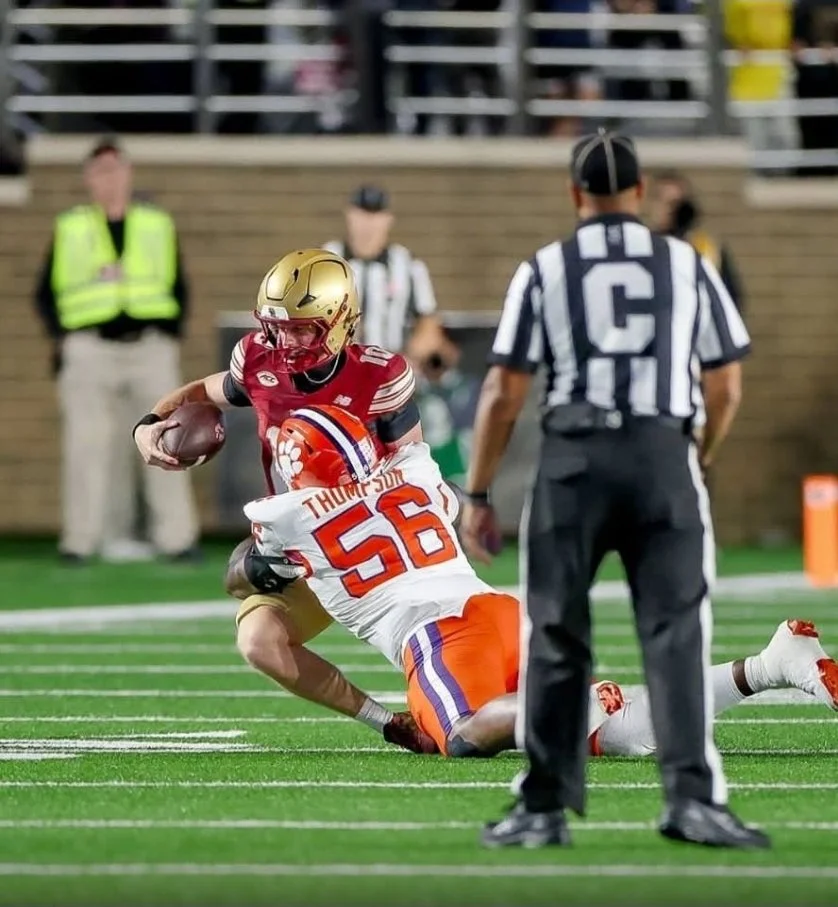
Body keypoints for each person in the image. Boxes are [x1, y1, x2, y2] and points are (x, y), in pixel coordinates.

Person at [460, 129, 765, 850]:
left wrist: (477, 493)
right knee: (677, 634)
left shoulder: (545, 267)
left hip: (574, 461)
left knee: (558, 636)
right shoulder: (687, 264)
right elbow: (725, 384)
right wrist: (696, 453)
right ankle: (691, 799)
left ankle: (542, 806)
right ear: (637, 193)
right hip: (662, 451)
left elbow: (504, 389)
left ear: (575, 196)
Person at [234, 404, 838, 761]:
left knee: (462, 739)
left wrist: (261, 564)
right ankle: (770, 667)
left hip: (440, 638)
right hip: (501, 612)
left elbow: (242, 577)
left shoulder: (281, 517)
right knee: (621, 735)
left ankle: (563, 703)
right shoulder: (412, 468)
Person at [133, 248, 434, 755]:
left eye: (302, 328)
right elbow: (203, 392)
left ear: (341, 322)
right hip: (303, 557)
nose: (286, 341)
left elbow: (416, 480)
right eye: (278, 327)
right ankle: (386, 722)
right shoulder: (256, 359)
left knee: (455, 676)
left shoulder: (379, 376)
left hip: (377, 552)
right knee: (259, 640)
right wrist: (148, 427)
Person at [34, 135, 199, 565]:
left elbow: (179, 284)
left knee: (167, 437)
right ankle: (81, 540)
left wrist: (168, 333)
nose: (109, 179)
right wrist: (63, 339)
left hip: (148, 346)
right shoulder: (72, 227)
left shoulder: (155, 224)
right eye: (100, 171)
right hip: (90, 347)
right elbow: (45, 292)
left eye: (116, 169)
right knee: (87, 445)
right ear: (89, 179)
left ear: (129, 174)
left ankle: (176, 538)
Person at [322, 185, 451, 362]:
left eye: (375, 215)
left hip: (389, 369)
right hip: (334, 368)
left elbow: (429, 322)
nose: (368, 223)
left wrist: (404, 362)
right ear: (349, 215)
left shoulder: (408, 264)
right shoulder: (326, 260)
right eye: (362, 214)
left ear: (388, 219)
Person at [649, 171, 746, 313]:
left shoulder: (707, 249)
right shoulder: (643, 248)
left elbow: (731, 302)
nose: (668, 209)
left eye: (674, 203)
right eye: (661, 200)